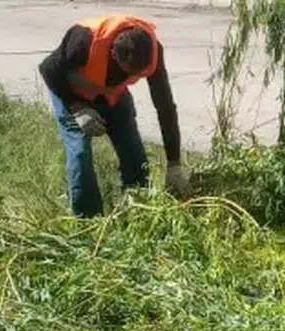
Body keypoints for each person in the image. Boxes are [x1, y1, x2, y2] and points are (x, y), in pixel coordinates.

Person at [39, 14, 189, 217]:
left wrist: (174, 163)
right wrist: (77, 108)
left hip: (112, 95)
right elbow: (49, 69)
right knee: (80, 155)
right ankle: (88, 220)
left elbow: (165, 105)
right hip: (71, 92)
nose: (131, 78)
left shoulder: (151, 51)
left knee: (134, 154)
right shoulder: (83, 40)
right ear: (114, 54)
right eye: (129, 72)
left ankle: (138, 213)